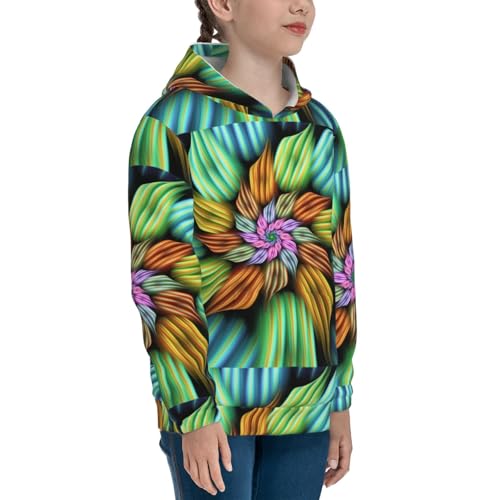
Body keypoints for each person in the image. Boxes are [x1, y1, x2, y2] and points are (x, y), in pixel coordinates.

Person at [128, 0, 357, 497]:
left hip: (306, 404)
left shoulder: (320, 126)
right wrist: (191, 409)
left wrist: (338, 397)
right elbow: (160, 280)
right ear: (223, 4)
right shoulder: (173, 123)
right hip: (214, 406)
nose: (301, 5)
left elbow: (339, 269)